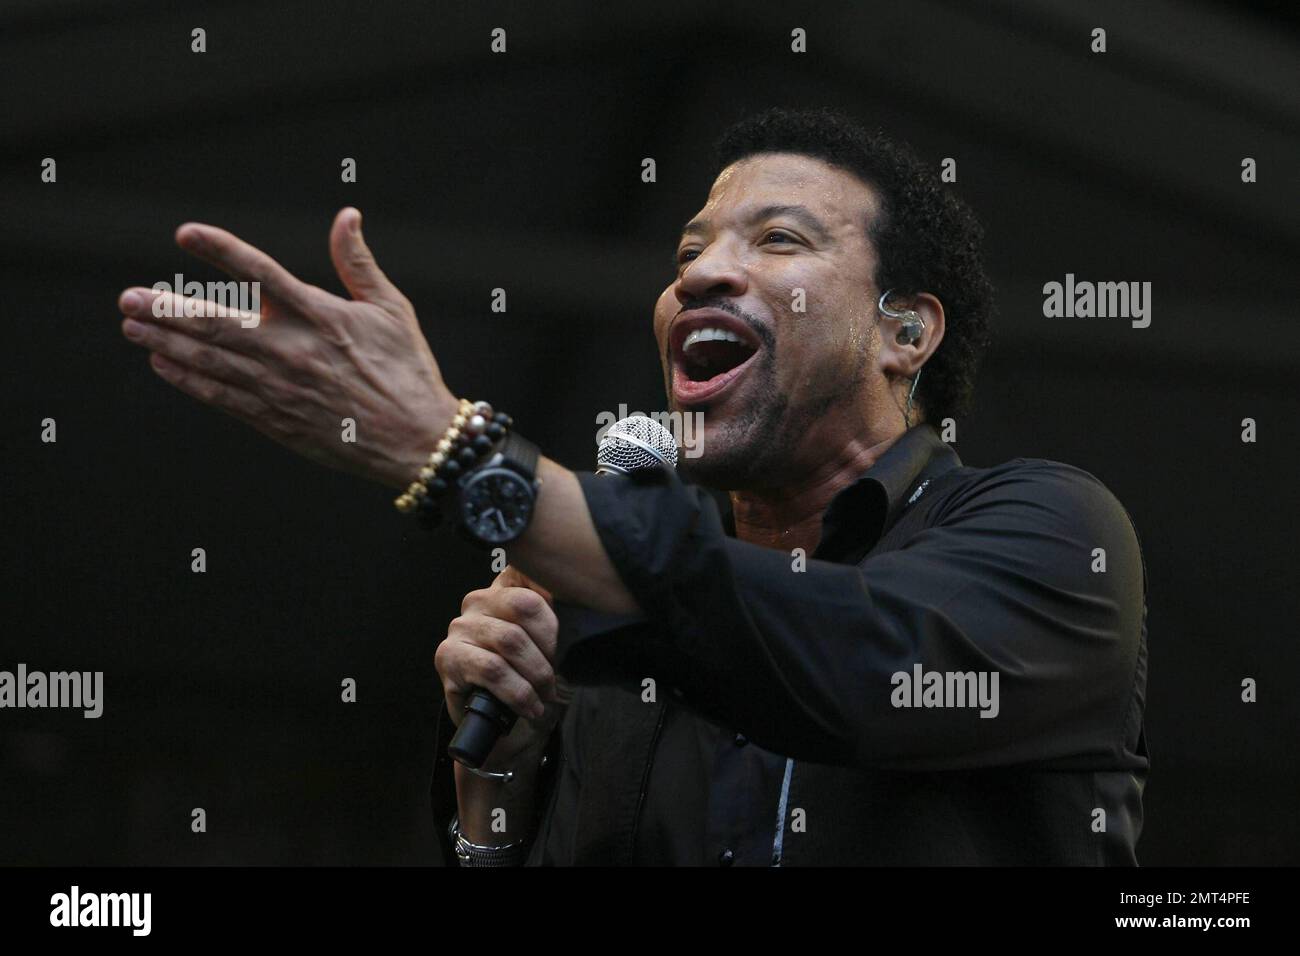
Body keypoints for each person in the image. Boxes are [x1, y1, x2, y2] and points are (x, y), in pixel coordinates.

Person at [117, 107, 1148, 867]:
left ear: (904, 331)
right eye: (689, 252)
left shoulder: (1049, 533)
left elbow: (851, 662)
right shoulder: (599, 620)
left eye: (777, 239)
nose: (699, 274)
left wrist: (454, 448)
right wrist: (496, 783)